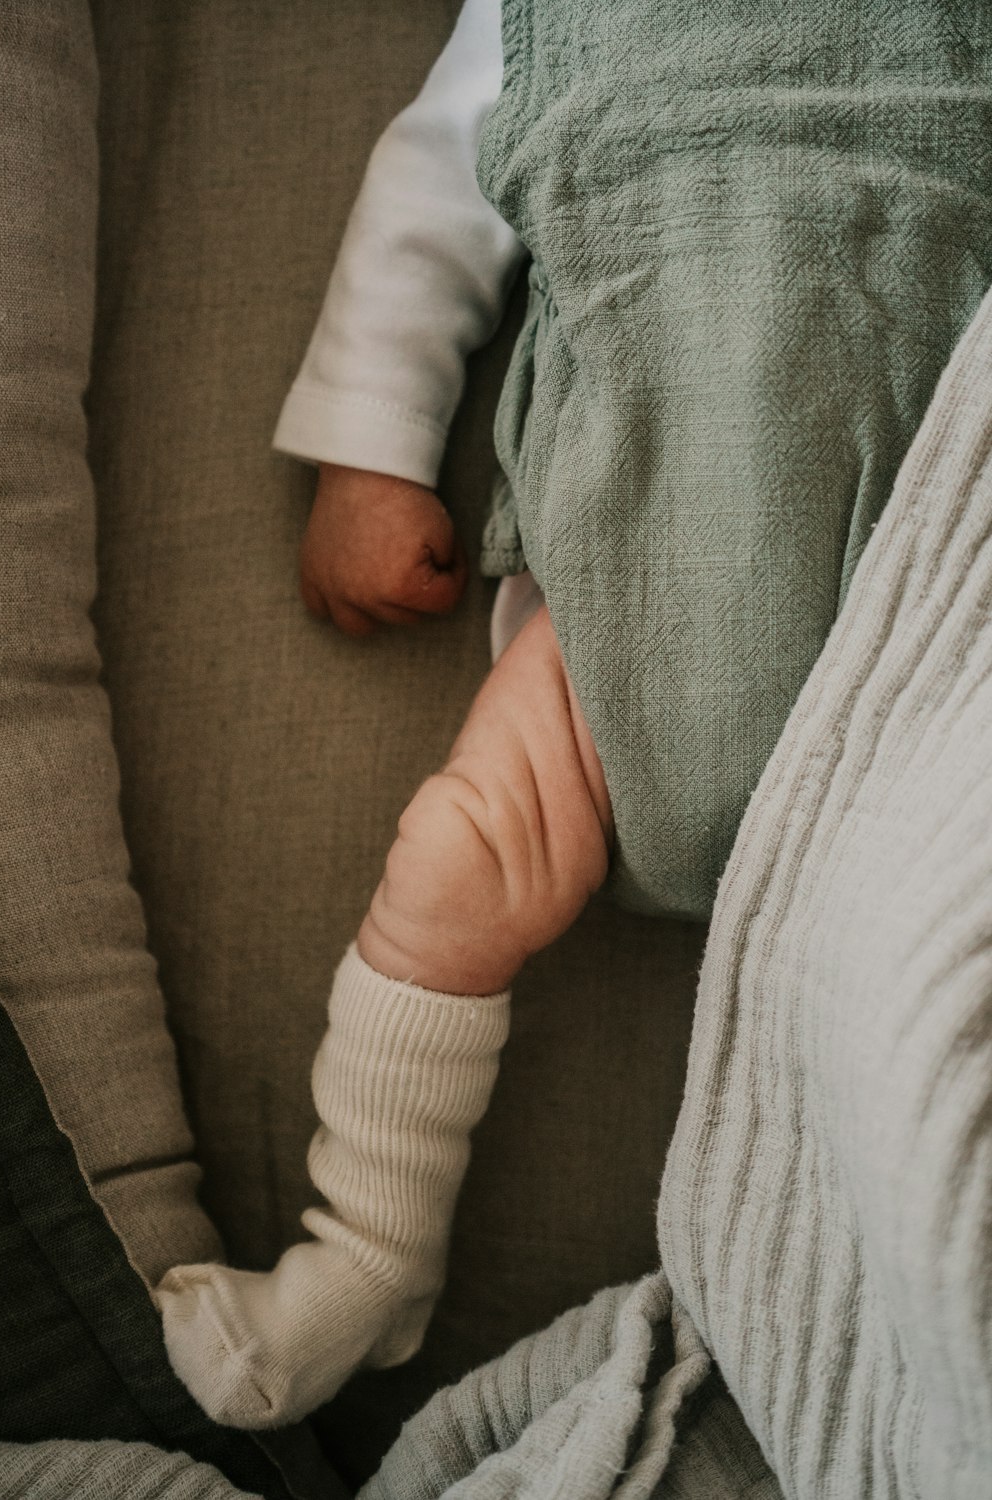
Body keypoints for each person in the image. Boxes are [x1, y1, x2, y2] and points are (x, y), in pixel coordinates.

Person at [157, 0, 992, 1428]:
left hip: (924, 626)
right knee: (448, 868)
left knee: (923, 1015)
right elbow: (431, 200)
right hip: (624, 619)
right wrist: (371, 450)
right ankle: (367, 1247)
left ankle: (893, 1285)